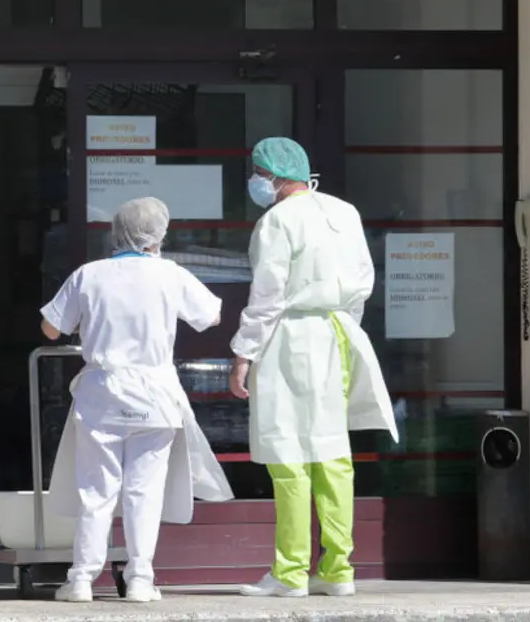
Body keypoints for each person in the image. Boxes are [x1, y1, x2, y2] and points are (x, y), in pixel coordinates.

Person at [40, 197, 234, 604]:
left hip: (102, 397)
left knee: (96, 491)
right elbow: (211, 316)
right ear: (158, 236)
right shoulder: (169, 274)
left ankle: (81, 579)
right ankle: (140, 579)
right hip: (155, 396)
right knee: (144, 492)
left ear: (116, 232)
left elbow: (51, 329)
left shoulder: (88, 274)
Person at [229, 137, 398, 599]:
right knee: (332, 453)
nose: (256, 182)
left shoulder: (276, 221)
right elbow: (363, 281)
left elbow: (267, 297)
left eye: (257, 174)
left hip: (290, 338)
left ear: (272, 176)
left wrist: (243, 354)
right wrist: (345, 329)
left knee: (288, 453)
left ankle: (290, 572)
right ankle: (339, 569)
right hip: (339, 335)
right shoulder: (344, 212)